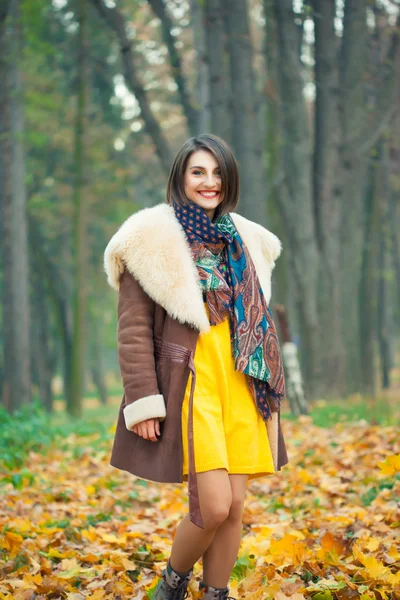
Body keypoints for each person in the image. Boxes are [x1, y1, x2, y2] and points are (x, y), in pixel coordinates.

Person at [104, 134, 289, 600]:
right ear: (180, 178)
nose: (209, 182)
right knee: (213, 505)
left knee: (236, 506)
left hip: (244, 383)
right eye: (198, 172)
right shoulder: (150, 240)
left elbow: (258, 318)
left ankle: (215, 594)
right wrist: (143, 400)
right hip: (192, 386)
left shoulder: (244, 239)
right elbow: (132, 331)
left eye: (218, 173)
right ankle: (172, 584)